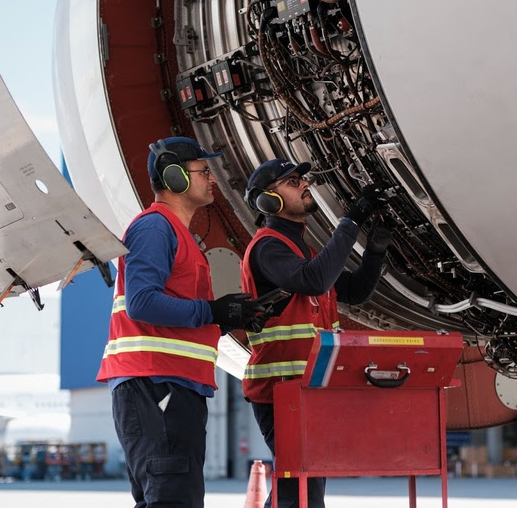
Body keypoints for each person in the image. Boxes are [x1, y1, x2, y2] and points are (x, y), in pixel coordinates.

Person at [97, 136, 266, 508]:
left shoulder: (174, 233)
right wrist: (211, 311)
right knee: (172, 498)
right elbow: (142, 303)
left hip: (168, 384)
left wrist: (228, 318)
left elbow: (179, 316)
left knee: (172, 496)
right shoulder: (155, 228)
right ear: (175, 177)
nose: (212, 179)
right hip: (156, 384)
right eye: (204, 171)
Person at [240, 158, 393, 508]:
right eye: (292, 181)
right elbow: (315, 281)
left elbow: (353, 291)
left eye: (302, 179)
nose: (305, 184)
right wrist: (350, 221)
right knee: (301, 494)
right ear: (268, 200)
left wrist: (375, 250)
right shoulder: (267, 248)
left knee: (299, 491)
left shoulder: (302, 252)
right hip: (281, 392)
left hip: (307, 391)